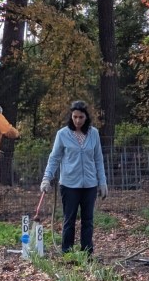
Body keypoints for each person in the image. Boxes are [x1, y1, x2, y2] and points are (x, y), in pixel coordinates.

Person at [41, 100, 108, 255]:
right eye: (75, 117)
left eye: (81, 117)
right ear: (71, 116)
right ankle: (67, 252)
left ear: (86, 118)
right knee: (69, 220)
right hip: (69, 184)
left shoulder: (94, 134)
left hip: (90, 184)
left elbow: (98, 159)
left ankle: (87, 253)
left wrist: (102, 182)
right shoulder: (62, 134)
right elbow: (54, 158)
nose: (77, 121)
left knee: (88, 221)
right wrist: (47, 178)